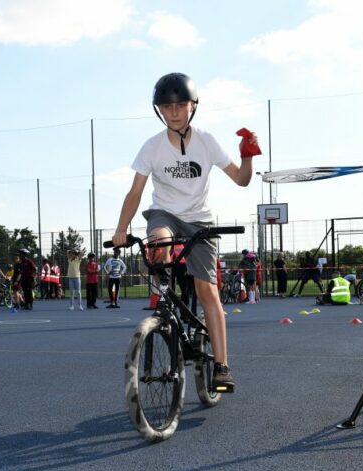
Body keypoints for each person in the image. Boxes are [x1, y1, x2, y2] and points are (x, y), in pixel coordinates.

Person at [111, 72, 259, 391]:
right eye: (167, 106)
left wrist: (247, 155)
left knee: (208, 290)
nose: (174, 111)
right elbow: (135, 192)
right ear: (159, 110)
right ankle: (163, 291)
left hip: (199, 221)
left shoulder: (206, 141)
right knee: (159, 240)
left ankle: (221, 366)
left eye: (181, 105)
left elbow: (241, 179)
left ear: (193, 106)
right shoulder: (152, 147)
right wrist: (121, 229)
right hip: (164, 213)